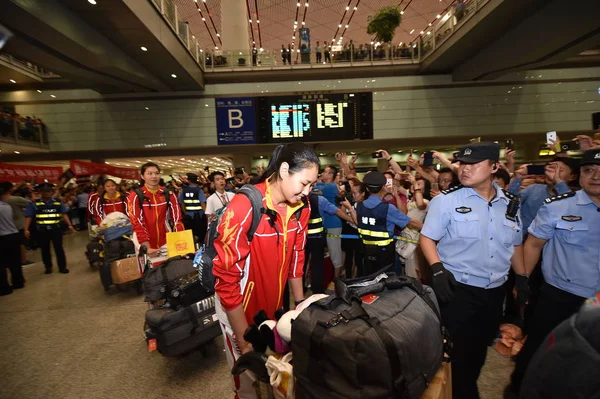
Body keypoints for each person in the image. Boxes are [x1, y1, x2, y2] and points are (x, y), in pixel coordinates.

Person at [419, 142, 528, 399]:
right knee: (455, 354)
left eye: (473, 164)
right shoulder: (446, 201)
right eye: (462, 164)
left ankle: (466, 387)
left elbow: (515, 243)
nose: (464, 169)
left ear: (494, 167)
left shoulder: (510, 204)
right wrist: (437, 269)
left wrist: (522, 277)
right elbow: (427, 238)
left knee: (479, 351)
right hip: (458, 291)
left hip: (493, 293)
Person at [212, 143, 319, 399]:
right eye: (304, 183)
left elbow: (297, 257)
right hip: (237, 309)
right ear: (284, 170)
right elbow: (226, 280)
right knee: (247, 378)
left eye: (312, 186)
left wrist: (300, 305)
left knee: (273, 372)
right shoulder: (244, 206)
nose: (307, 192)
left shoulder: (301, 208)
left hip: (271, 305)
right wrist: (243, 338)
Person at [505, 148, 600, 397]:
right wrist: (522, 278)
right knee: (538, 352)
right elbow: (533, 245)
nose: (595, 176)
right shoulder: (559, 206)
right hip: (562, 296)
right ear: (579, 176)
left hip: (598, 301)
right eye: (589, 170)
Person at [347, 171, 423, 276]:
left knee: (371, 280)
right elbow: (410, 222)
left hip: (366, 252)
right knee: (388, 281)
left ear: (367, 189)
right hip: (385, 254)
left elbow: (360, 223)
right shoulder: (387, 208)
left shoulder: (360, 206)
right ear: (383, 186)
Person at [127, 162, 183, 258]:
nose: (154, 176)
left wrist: (181, 240)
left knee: (173, 269)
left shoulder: (168, 194)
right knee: (149, 271)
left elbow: (177, 219)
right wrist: (146, 246)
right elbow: (136, 221)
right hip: (143, 242)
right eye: (149, 173)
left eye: (157, 173)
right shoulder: (135, 196)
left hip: (166, 240)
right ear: (142, 176)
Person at [304, 188, 353, 294]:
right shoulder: (320, 200)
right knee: (317, 265)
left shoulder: (295, 199)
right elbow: (337, 211)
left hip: (301, 238)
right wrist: (353, 220)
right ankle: (317, 292)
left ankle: (301, 290)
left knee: (301, 265)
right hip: (317, 238)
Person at [24, 183, 76, 274]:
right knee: (45, 249)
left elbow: (64, 214)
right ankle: (48, 267)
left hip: (56, 229)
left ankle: (62, 267)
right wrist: (26, 229)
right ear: (40, 192)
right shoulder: (35, 204)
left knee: (59, 248)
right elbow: (29, 216)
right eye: (44, 191)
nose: (47, 193)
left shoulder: (58, 202)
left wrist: (70, 225)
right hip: (42, 230)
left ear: (52, 192)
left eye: (49, 191)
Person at [398, 174, 431, 279]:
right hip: (406, 236)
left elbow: (420, 204)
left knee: (414, 270)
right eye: (415, 183)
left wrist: (414, 183)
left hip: (415, 239)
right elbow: (397, 186)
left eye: (419, 184)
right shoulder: (409, 200)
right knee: (407, 269)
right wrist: (398, 178)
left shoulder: (425, 202)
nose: (415, 185)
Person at [318, 165, 344, 280]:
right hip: (324, 224)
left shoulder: (332, 187)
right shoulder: (325, 186)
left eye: (325, 172)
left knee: (335, 252)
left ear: (330, 175)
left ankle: (336, 279)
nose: (322, 173)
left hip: (333, 224)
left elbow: (316, 189)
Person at [0, 182, 26, 295]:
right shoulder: (6, 206)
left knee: (1, 264)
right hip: (13, 235)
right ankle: (18, 282)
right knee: (15, 261)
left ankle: (4, 287)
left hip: (2, 237)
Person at [340, 178, 368, 278]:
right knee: (348, 257)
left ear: (363, 194)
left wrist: (350, 210)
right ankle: (348, 279)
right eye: (352, 193)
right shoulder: (352, 203)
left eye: (355, 193)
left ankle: (359, 279)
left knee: (359, 259)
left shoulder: (364, 206)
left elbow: (359, 223)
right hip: (349, 231)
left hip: (358, 233)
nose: (353, 196)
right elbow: (341, 213)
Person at [3, 183, 33, 265]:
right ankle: (23, 260)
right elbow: (31, 204)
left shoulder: (3, 200)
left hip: (5, 226)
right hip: (18, 224)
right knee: (21, 244)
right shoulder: (15, 199)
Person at [179, 173, 207, 245]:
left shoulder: (184, 191)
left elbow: (182, 203)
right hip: (199, 216)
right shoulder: (199, 190)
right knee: (201, 235)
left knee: (190, 235)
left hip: (189, 216)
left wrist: (185, 213)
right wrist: (206, 215)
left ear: (188, 180)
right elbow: (202, 203)